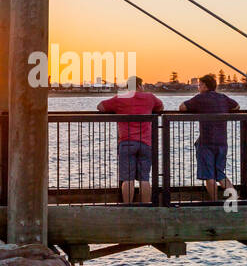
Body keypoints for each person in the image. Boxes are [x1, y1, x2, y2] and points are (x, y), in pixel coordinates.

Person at [97, 76, 163, 204]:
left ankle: (128, 207)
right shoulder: (150, 97)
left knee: (127, 179)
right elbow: (160, 107)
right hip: (145, 142)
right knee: (144, 178)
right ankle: (146, 208)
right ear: (139, 86)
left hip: (126, 142)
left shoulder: (120, 98)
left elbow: (100, 107)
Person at [178, 73, 239, 201]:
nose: (198, 88)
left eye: (199, 85)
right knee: (220, 174)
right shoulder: (222, 97)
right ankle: (235, 199)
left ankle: (215, 202)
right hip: (222, 141)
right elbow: (237, 106)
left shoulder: (201, 98)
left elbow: (182, 107)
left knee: (209, 175)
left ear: (205, 86)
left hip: (206, 142)